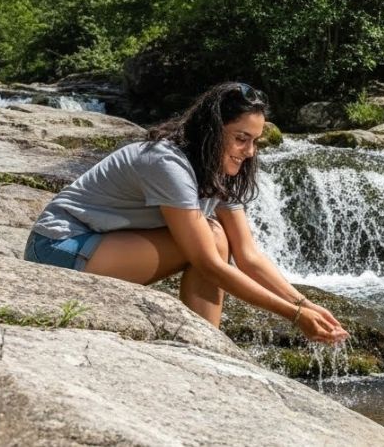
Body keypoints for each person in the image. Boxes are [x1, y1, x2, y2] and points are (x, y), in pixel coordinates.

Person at [23, 81, 348, 344]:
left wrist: (302, 303)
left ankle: (205, 345)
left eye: (254, 142)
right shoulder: (167, 163)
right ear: (211, 130)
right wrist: (291, 315)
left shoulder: (218, 170)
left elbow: (248, 255)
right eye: (240, 139)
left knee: (217, 235)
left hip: (104, 246)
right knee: (211, 241)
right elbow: (208, 263)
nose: (249, 152)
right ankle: (206, 348)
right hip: (57, 249)